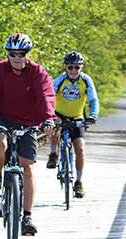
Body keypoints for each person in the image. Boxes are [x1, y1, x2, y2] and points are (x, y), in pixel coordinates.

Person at [0, 33, 56, 236]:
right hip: (1, 117)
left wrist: (48, 118)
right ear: (8, 54)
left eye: (21, 54)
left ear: (27, 54)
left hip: (29, 121)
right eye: (12, 54)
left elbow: (46, 94)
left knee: (27, 167)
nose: (17, 58)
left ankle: (27, 216)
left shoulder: (37, 72)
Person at [46, 51, 99, 199]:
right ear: (66, 68)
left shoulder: (86, 81)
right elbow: (48, 97)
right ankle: (53, 154)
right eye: (70, 67)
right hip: (59, 115)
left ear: (81, 68)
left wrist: (92, 116)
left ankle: (78, 182)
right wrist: (51, 115)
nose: (74, 71)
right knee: (55, 129)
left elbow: (93, 100)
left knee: (80, 148)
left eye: (77, 67)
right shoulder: (60, 81)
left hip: (77, 117)